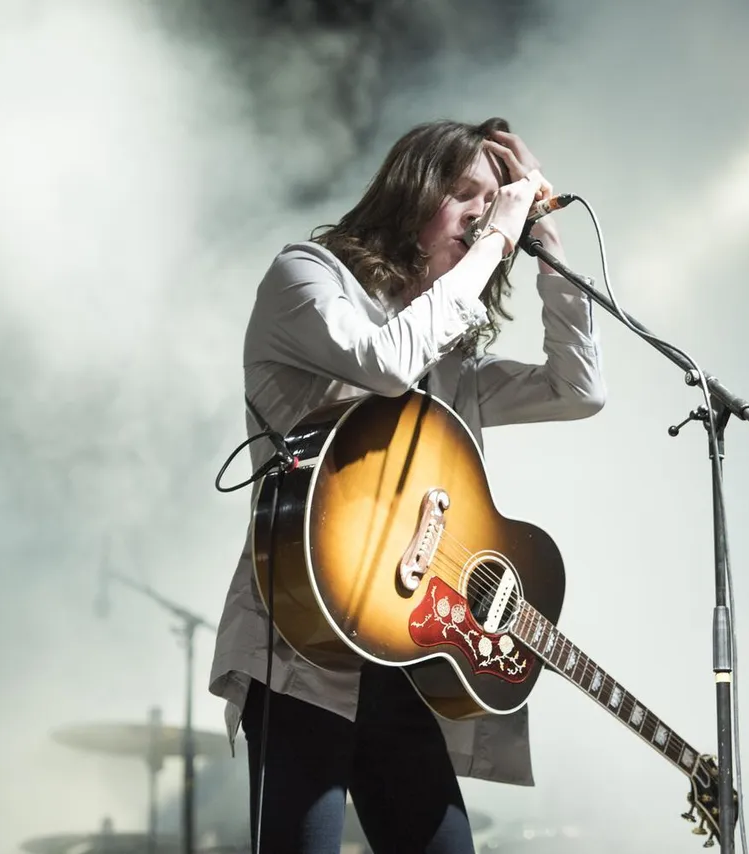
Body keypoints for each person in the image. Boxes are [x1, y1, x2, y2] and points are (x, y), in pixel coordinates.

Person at [208, 117, 606, 854]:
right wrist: (498, 235)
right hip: (302, 645)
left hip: (408, 654)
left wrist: (545, 243)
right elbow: (385, 361)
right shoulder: (306, 277)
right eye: (463, 194)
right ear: (409, 195)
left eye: (493, 200)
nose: (484, 213)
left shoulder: (451, 361)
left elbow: (577, 388)